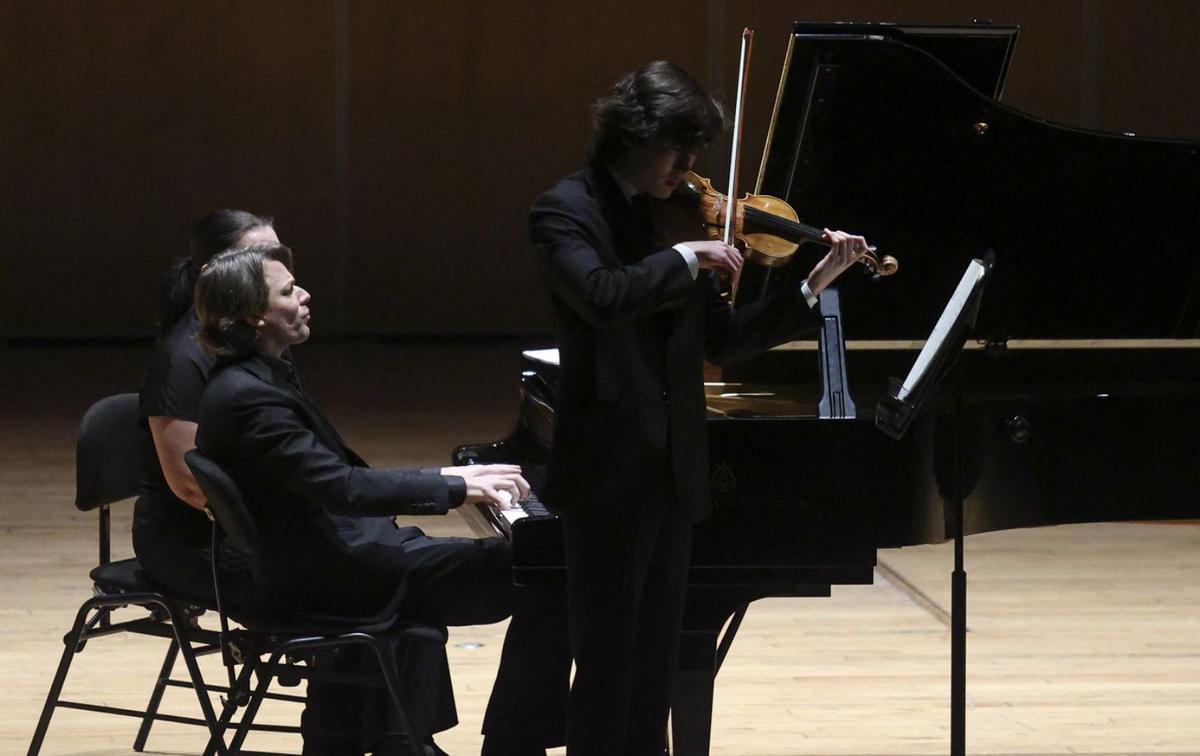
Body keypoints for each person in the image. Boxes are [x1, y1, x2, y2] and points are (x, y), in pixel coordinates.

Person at [529, 60, 871, 755]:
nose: (688, 170)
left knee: (654, 663)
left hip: (675, 474)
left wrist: (810, 287)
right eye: (678, 151)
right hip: (608, 477)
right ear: (634, 134)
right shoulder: (567, 211)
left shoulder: (673, 220)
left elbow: (724, 339)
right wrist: (684, 256)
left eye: (695, 155)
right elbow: (600, 295)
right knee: (607, 666)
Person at [192, 244, 569, 755]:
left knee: (531, 572)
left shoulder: (253, 379)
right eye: (287, 291)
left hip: (331, 558)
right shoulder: (249, 399)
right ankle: (510, 743)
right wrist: (458, 486)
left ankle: (409, 741)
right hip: (337, 578)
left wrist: (445, 475)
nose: (304, 295)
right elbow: (341, 488)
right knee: (544, 572)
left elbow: (337, 478)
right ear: (255, 315)